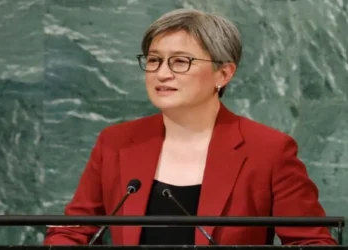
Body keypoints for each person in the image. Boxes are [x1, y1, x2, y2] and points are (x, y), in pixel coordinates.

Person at [44, 9, 337, 246]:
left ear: (223, 73)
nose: (162, 73)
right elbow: (71, 232)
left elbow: (310, 242)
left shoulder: (268, 150)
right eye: (155, 60)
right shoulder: (116, 142)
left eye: (180, 62)